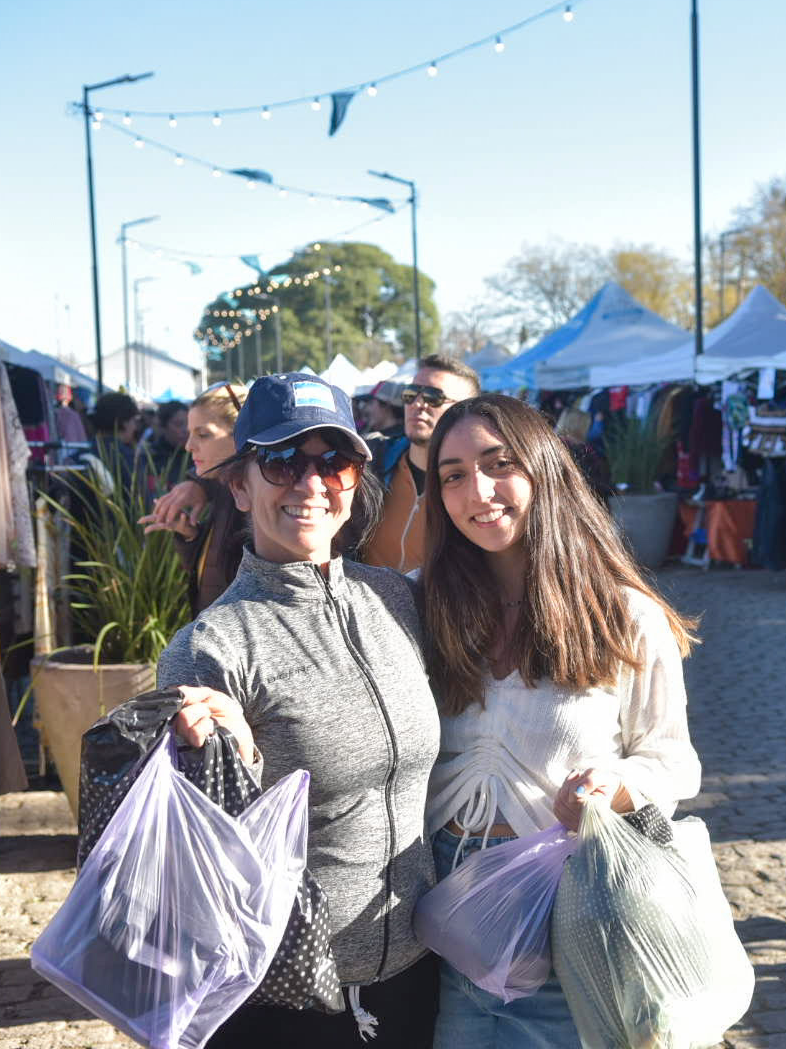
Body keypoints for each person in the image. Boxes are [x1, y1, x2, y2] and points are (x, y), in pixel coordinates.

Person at [156, 372, 441, 1045]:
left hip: (418, 971)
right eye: (282, 461)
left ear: (356, 477)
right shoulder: (211, 648)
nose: (311, 484)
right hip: (288, 997)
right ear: (240, 484)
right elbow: (196, 856)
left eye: (333, 460)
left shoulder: (396, 600)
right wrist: (234, 757)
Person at [421, 393, 701, 1046]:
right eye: (454, 475)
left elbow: (674, 762)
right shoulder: (424, 605)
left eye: (499, 464)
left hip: (567, 915)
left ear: (544, 468)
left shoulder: (626, 615)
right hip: (444, 921)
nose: (478, 491)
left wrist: (615, 785)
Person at [363, 354, 480, 573]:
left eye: (433, 397)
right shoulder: (371, 463)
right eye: (410, 394)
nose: (418, 404)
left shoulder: (479, 488)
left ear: (466, 411)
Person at [138, 382, 246, 616]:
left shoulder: (255, 496)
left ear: (241, 433)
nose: (189, 446)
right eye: (189, 433)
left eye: (203, 434)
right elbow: (218, 574)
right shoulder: (227, 487)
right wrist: (192, 536)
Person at [134, 399, 191, 493]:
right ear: (164, 426)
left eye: (188, 424)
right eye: (178, 424)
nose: (186, 430)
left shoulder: (198, 455)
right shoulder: (150, 456)